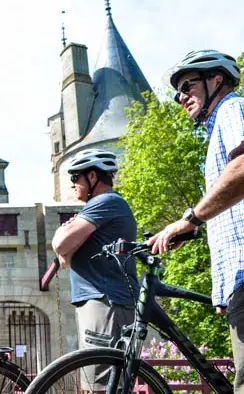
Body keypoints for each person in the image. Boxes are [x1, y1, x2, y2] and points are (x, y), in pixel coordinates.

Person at [147, 49, 244, 392]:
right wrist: (224, 286)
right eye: (177, 92)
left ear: (216, 79)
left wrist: (188, 219)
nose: (181, 97)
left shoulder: (232, 108)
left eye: (187, 86)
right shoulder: (217, 130)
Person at [51, 149, 138, 387]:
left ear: (92, 176)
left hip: (105, 302)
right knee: (99, 383)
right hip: (101, 301)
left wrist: (61, 232)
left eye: (74, 178)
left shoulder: (105, 202)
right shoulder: (104, 206)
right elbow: (65, 259)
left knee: (101, 385)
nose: (72, 185)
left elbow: (60, 244)